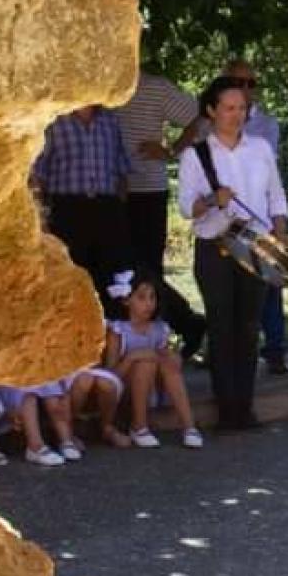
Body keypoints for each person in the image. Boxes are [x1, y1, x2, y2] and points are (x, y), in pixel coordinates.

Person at [181, 76, 288, 432]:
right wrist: (214, 200)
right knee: (221, 326)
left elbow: (276, 195)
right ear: (211, 110)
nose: (236, 114)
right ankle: (226, 408)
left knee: (248, 327)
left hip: (255, 246)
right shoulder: (195, 154)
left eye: (241, 108)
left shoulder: (260, 148)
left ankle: (245, 406)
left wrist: (281, 236)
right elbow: (186, 208)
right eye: (228, 108)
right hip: (215, 247)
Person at [112, 69, 208, 359]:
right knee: (118, 271)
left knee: (147, 271)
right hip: (107, 189)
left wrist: (172, 150)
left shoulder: (155, 87)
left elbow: (203, 117)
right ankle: (129, 341)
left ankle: (178, 328)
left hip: (147, 189)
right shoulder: (98, 87)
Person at [223, 58, 288, 375]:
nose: (245, 90)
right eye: (238, 83)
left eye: (251, 84)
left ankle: (275, 349)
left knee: (269, 289)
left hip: (259, 219)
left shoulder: (267, 127)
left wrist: (280, 226)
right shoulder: (207, 126)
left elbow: (269, 179)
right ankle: (224, 351)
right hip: (222, 222)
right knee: (226, 295)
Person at [29, 104, 132, 290]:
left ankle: (107, 317)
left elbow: (121, 168)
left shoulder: (110, 120)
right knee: (69, 272)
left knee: (110, 273)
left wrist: (119, 207)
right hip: (67, 209)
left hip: (107, 207)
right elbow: (38, 172)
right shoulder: (55, 120)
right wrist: (41, 217)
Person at [103, 269, 202, 448]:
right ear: (126, 300)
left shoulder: (159, 328)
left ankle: (189, 426)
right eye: (141, 298)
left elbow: (170, 363)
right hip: (126, 393)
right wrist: (133, 357)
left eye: (152, 298)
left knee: (166, 363)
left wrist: (172, 357)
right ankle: (139, 426)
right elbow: (110, 378)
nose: (149, 304)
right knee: (145, 364)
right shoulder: (118, 331)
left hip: (153, 392)